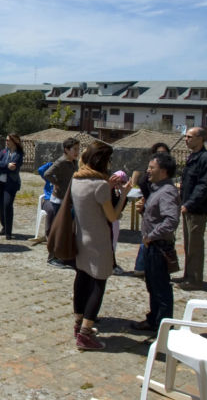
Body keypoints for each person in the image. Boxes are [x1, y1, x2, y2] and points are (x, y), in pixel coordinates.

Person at [70, 142, 131, 350]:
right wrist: (123, 194)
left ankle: (78, 324)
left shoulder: (77, 179)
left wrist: (109, 187)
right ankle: (86, 334)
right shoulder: (100, 185)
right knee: (98, 283)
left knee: (82, 279)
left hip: (81, 238)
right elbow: (112, 216)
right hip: (98, 241)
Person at [131, 153, 180, 332]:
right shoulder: (157, 189)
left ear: (164, 171)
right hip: (151, 246)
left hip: (159, 247)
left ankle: (163, 328)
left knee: (161, 289)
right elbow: (157, 216)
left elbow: (171, 221)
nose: (148, 171)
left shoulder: (167, 192)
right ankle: (154, 320)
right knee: (152, 285)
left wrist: (151, 235)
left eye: (152, 168)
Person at [179, 127, 207, 291]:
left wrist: (190, 203)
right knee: (188, 244)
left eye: (190, 136)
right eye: (186, 136)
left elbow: (205, 185)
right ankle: (189, 275)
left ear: (200, 139)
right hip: (189, 207)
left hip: (197, 209)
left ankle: (195, 279)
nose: (186, 139)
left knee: (195, 245)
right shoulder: (194, 157)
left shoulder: (206, 159)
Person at [132, 142, 171, 277]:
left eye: (164, 154)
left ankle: (150, 267)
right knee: (148, 238)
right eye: (159, 153)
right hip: (151, 211)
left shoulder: (166, 181)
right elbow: (143, 182)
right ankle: (142, 266)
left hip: (159, 212)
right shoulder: (149, 176)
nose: (162, 156)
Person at [44, 137, 80, 267]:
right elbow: (47, 173)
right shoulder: (61, 162)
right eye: (74, 149)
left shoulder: (74, 163)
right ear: (66, 150)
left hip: (69, 199)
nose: (77, 152)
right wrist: (57, 183)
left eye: (78, 149)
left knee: (68, 229)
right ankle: (52, 257)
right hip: (58, 200)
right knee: (57, 228)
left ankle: (65, 256)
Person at [0, 134, 24, 240]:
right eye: (6, 140)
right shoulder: (4, 151)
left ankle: (8, 232)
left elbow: (14, 168)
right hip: (0, 183)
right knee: (1, 206)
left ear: (14, 141)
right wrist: (6, 165)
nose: (6, 142)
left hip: (11, 184)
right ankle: (4, 227)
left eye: (8, 140)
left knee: (7, 205)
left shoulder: (19, 154)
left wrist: (0, 167)